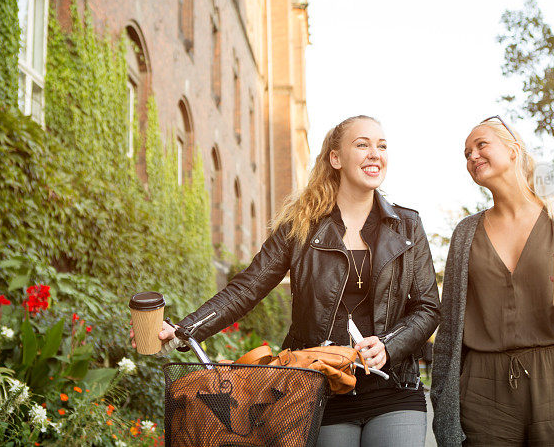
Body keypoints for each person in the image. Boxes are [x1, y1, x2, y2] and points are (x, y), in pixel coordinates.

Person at [132, 115, 440, 446]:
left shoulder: (407, 225)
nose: (375, 153)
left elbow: (427, 307)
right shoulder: (301, 225)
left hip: (394, 389)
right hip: (318, 388)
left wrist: (389, 346)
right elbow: (247, 287)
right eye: (362, 144)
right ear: (335, 158)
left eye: (381, 146)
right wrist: (182, 330)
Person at [431, 116, 554, 447]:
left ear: (513, 150)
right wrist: (443, 399)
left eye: (481, 145)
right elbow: (449, 328)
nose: (472, 156)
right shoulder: (465, 233)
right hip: (484, 388)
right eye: (466, 152)